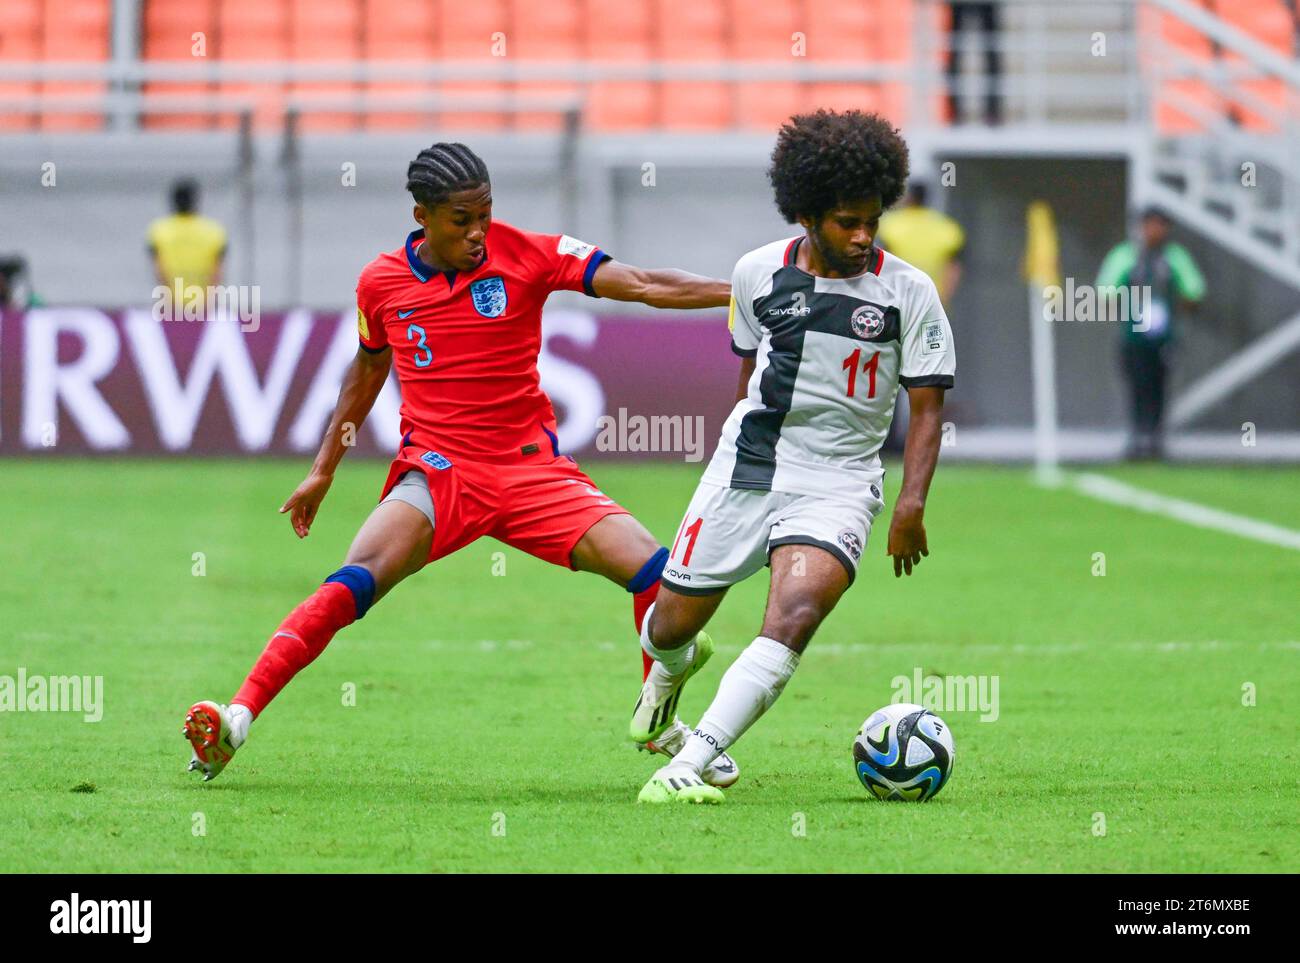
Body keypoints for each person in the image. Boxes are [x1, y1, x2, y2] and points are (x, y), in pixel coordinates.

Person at [183, 142, 739, 788]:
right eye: (460, 219)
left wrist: (743, 291)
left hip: (533, 472)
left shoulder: (530, 253)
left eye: (485, 214)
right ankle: (236, 720)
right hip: (441, 472)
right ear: (421, 215)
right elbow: (366, 370)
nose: (478, 233)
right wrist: (324, 467)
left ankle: (662, 723)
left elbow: (642, 283)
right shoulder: (381, 283)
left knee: (658, 576)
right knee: (353, 582)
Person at [631, 110, 956, 804]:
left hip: (838, 483)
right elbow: (748, 379)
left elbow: (927, 408)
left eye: (873, 219)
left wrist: (911, 501)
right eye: (847, 222)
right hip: (748, 466)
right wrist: (734, 457)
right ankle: (662, 688)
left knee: (795, 614)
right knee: (668, 627)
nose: (864, 235)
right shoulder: (756, 274)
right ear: (806, 214)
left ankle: (691, 761)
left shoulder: (909, 292)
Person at [1096, 206, 1205, 460]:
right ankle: (1137, 437)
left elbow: (1194, 291)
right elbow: (1106, 291)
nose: (1155, 231)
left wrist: (1175, 306)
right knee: (1136, 385)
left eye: (1160, 225)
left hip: (1163, 337)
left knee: (1159, 387)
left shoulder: (1175, 258)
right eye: (1150, 225)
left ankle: (1155, 438)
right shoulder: (1126, 256)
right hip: (1134, 336)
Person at [876, 183, 965, 307]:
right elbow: (953, 267)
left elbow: (882, 261)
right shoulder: (947, 227)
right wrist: (945, 297)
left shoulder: (890, 224)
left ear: (909, 198)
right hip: (932, 298)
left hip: (898, 297)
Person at [146, 178, 227, 302]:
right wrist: (208, 300)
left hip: (171, 303)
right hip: (203, 303)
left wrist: (169, 299)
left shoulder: (159, 230)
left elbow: (159, 270)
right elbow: (217, 270)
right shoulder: (213, 230)